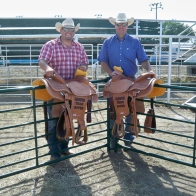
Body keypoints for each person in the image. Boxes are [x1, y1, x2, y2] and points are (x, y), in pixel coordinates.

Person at [97, 13, 153, 150]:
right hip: (115, 80)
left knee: (131, 108)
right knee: (113, 109)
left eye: (123, 24)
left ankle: (129, 137)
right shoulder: (107, 42)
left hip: (130, 79)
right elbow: (102, 60)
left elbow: (143, 60)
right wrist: (110, 73)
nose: (121, 27)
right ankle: (112, 137)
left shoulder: (135, 42)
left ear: (127, 25)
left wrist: (150, 70)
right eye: (118, 24)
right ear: (115, 26)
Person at [38, 18, 89, 161]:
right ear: (61, 30)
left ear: (74, 32)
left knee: (68, 117)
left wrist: (84, 67)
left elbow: (85, 62)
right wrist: (47, 68)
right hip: (56, 86)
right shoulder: (51, 45)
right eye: (66, 29)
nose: (68, 32)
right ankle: (54, 150)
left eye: (71, 29)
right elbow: (42, 60)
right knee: (54, 118)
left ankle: (64, 148)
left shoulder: (79, 47)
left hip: (72, 88)